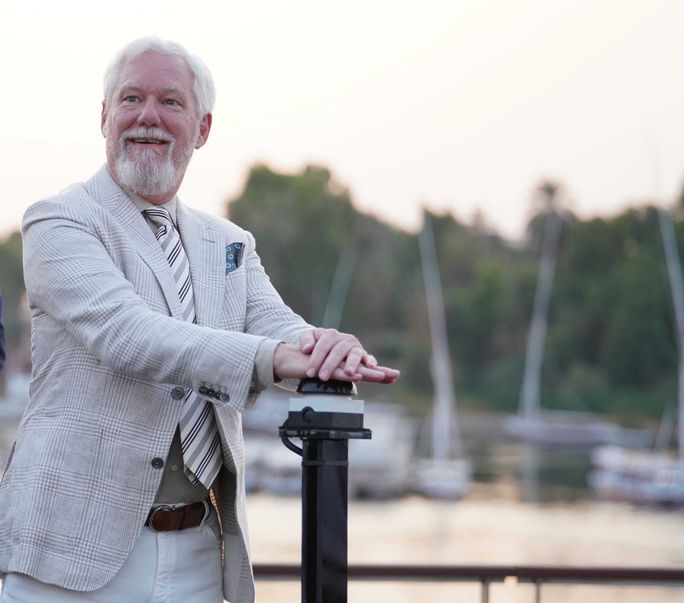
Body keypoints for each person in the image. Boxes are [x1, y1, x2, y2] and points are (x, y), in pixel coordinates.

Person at [0, 37, 399, 603]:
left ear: (203, 127)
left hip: (199, 557)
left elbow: (278, 327)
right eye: (131, 98)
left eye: (171, 102)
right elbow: (129, 335)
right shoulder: (59, 222)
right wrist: (270, 358)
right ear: (105, 116)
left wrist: (326, 347)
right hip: (69, 561)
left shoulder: (230, 243)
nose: (148, 117)